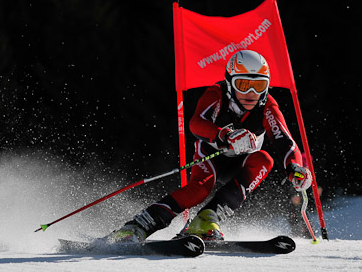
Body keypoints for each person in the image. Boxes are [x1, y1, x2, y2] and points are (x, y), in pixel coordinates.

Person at [96, 50, 312, 244]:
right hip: (212, 154)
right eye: (244, 85)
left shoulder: (268, 106)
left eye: (259, 86)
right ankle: (137, 227)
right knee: (200, 189)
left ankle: (206, 220)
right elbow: (196, 123)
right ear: (230, 82)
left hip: (242, 163)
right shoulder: (216, 93)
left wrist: (295, 168)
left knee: (265, 160)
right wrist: (224, 135)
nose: (251, 93)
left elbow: (285, 140)